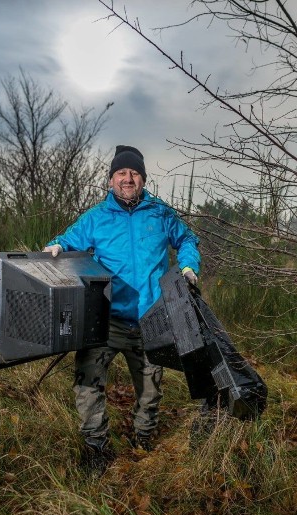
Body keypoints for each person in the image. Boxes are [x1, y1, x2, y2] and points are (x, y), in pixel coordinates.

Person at [44, 145, 201, 473]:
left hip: (152, 319)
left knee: (150, 390)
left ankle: (143, 440)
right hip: (107, 320)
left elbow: (187, 239)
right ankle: (97, 446)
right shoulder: (96, 218)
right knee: (87, 383)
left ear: (143, 178)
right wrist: (57, 245)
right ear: (111, 179)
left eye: (134, 173)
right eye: (121, 173)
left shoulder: (160, 213)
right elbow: (68, 240)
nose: (128, 179)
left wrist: (187, 267)